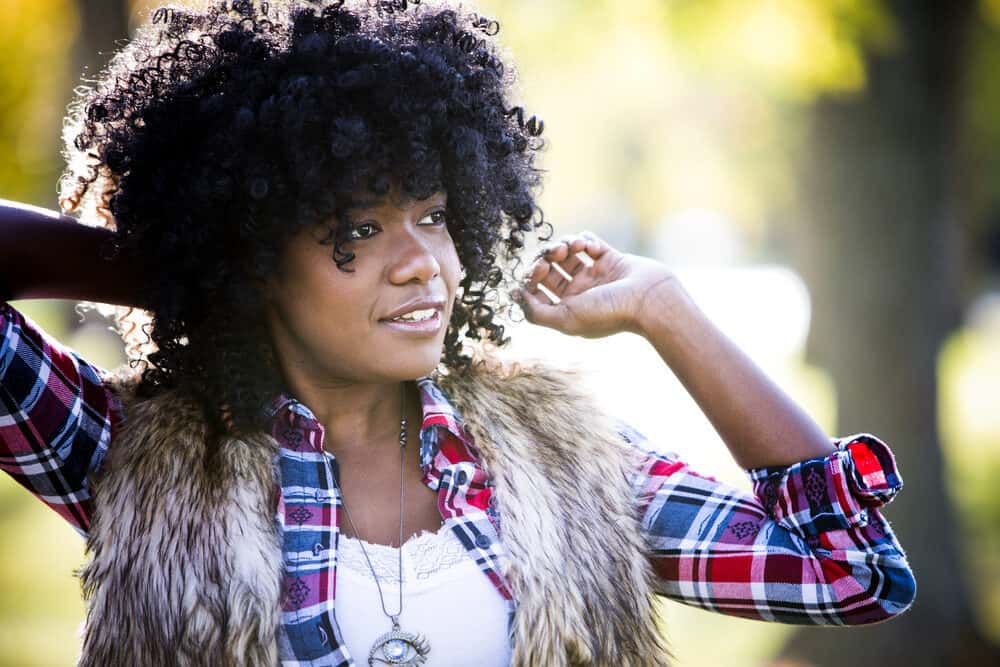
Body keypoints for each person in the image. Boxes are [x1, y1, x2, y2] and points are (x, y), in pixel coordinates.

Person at [0, 1, 916, 666]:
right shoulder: (133, 454)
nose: (421, 264)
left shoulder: (559, 456)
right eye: (355, 230)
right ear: (254, 254)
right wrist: (190, 270)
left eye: (433, 216)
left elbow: (854, 574)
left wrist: (665, 310)